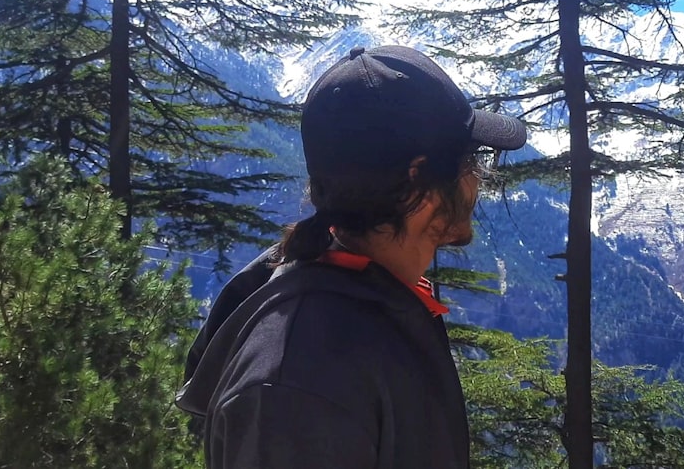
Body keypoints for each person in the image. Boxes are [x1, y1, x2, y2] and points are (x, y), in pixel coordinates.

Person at [176, 45, 527, 468]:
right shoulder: (299, 388)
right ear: (416, 176)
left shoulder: (369, 302)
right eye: (468, 159)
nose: (476, 177)